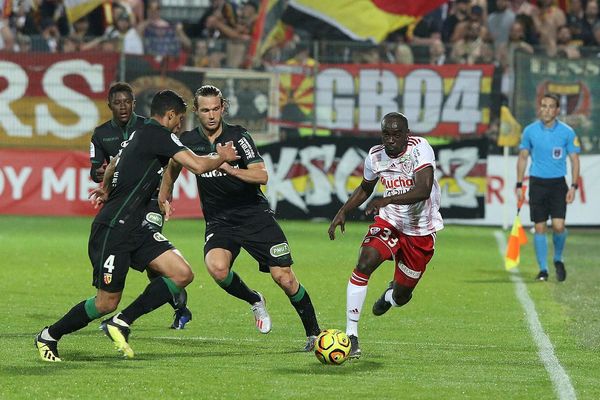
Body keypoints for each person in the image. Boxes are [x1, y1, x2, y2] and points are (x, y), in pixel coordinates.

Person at [35, 90, 239, 362]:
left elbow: (114, 164)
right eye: (179, 120)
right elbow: (200, 166)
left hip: (137, 228)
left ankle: (121, 322)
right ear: (169, 116)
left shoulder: (140, 131)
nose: (180, 126)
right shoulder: (159, 134)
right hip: (114, 230)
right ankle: (49, 335)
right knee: (105, 302)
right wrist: (222, 155)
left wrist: (106, 189)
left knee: (181, 274)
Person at [158, 85, 321, 351]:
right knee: (217, 268)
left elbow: (262, 176)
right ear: (196, 112)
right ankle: (255, 299)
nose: (211, 115)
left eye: (215, 109)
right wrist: (165, 196)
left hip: (254, 215)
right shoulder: (188, 141)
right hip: (220, 220)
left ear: (223, 107)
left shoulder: (238, 137)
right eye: (205, 110)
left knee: (285, 278)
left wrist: (229, 169)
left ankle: (314, 333)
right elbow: (172, 167)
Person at [328, 112, 444, 359]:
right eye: (386, 135)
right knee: (365, 261)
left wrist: (388, 198)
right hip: (390, 221)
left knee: (403, 295)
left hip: (420, 230)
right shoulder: (375, 155)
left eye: (396, 134)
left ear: (407, 134)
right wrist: (343, 211)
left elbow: (423, 189)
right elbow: (366, 188)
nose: (390, 140)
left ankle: (391, 297)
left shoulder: (420, 149)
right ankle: (351, 335)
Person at [89, 82, 193, 330]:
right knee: (154, 265)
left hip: (150, 200)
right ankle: (164, 306)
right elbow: (99, 168)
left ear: (134, 104)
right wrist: (104, 182)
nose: (123, 106)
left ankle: (174, 306)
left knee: (157, 260)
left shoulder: (147, 127)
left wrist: (165, 195)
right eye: (118, 102)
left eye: (127, 101)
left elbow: (173, 163)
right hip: (123, 203)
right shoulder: (101, 134)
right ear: (110, 106)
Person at [516, 93, 581, 282]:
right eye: (543, 106)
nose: (546, 110)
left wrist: (574, 186)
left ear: (557, 110)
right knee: (540, 227)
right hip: (537, 183)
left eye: (551, 106)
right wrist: (519, 183)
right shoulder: (529, 131)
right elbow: (522, 157)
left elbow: (575, 160)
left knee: (559, 226)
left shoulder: (567, 132)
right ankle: (543, 269)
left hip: (558, 184)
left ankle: (558, 258)